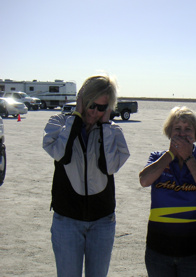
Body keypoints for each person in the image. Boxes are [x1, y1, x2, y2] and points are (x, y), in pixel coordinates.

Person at [43, 75, 130, 277]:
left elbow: (109, 167)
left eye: (102, 108)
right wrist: (76, 117)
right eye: (92, 105)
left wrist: (106, 126)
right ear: (83, 100)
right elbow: (60, 154)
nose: (95, 112)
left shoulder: (113, 132)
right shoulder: (59, 123)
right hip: (67, 220)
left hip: (102, 221)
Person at [139, 106, 196, 277]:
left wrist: (189, 157)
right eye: (177, 129)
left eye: (188, 129)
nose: (182, 134)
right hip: (158, 249)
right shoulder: (157, 158)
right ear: (169, 132)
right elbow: (144, 180)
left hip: (195, 251)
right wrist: (170, 154)